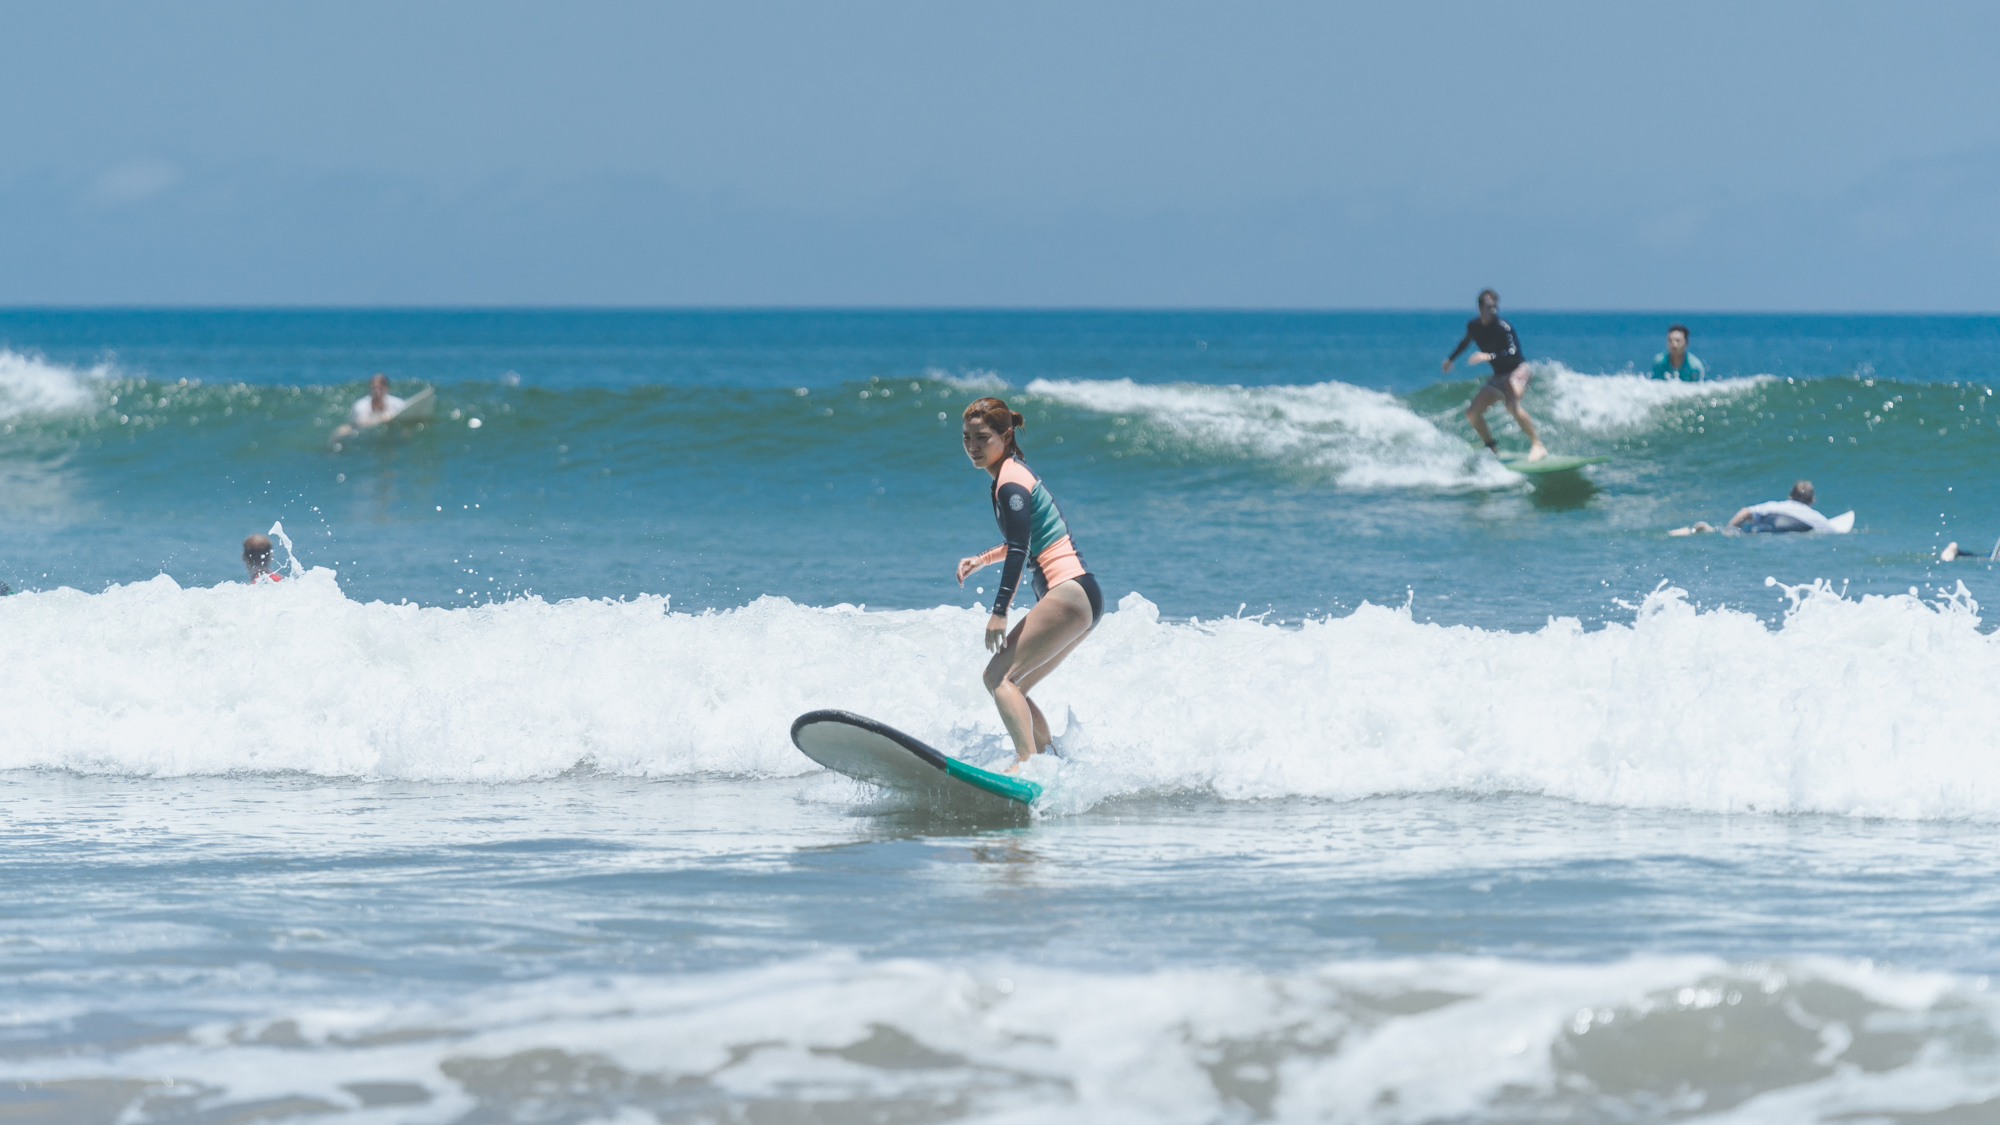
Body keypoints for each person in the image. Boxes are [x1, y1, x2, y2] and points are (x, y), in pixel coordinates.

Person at [955, 397, 1105, 771]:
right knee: (1014, 687)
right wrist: (982, 559)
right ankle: (1050, 764)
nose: (973, 446)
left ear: (1006, 436)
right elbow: (1028, 538)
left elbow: (1022, 548)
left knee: (996, 676)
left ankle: (1027, 765)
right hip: (1083, 596)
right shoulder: (1012, 475)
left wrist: (999, 612)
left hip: (1068, 592)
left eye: (982, 438)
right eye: (967, 438)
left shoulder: (1010, 484)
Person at [1443, 289, 1547, 461]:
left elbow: (1514, 353)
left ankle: (1537, 445)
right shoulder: (1474, 326)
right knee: (1472, 413)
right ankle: (1492, 449)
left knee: (1511, 405)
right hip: (1499, 375)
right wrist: (1450, 359)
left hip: (1518, 370)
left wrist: (1488, 356)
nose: (1493, 310)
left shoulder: (1503, 327)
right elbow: (1465, 342)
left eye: (1495, 307)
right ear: (1480, 307)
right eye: (1489, 307)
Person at [1669, 480, 1842, 535]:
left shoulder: (1776, 505)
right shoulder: (1814, 516)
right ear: (1811, 500)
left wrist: (1729, 530)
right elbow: (1834, 530)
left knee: (1741, 531)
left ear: (1790, 495)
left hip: (1764, 527)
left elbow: (1746, 511)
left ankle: (1704, 530)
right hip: (1788, 530)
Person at [330, 373, 407, 443]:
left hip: (388, 431)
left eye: (380, 388)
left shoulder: (398, 403)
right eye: (374, 388)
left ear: (386, 389)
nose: (377, 391)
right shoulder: (360, 405)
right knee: (341, 431)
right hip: (357, 429)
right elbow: (360, 423)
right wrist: (381, 418)